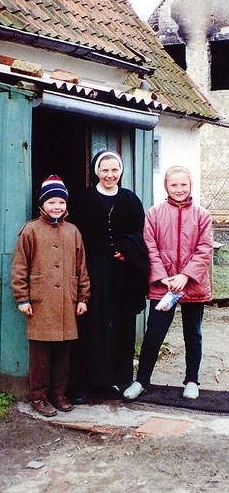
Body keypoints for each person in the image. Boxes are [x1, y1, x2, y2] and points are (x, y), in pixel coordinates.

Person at [123, 166, 213, 401]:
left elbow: (204, 250)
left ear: (190, 185)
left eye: (183, 184)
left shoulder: (202, 215)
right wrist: (163, 276)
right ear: (166, 186)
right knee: (154, 333)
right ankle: (142, 380)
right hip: (163, 285)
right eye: (174, 185)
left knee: (192, 333)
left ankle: (192, 380)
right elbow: (149, 247)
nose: (179, 189)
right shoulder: (154, 214)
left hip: (192, 284)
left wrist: (185, 276)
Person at [68, 150, 149, 402]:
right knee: (89, 325)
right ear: (96, 172)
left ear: (121, 171)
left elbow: (139, 236)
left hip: (121, 274)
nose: (110, 175)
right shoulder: (82, 199)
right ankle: (85, 384)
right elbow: (74, 236)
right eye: (105, 170)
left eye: (114, 170)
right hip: (91, 269)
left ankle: (118, 380)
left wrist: (128, 253)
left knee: (120, 324)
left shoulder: (130, 200)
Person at [11, 175, 90, 417]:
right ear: (42, 205)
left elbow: (81, 268)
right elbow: (20, 267)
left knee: (63, 353)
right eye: (52, 202)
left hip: (67, 302)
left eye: (61, 203)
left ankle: (58, 394)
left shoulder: (73, 231)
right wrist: (22, 298)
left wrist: (83, 298)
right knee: (41, 353)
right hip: (40, 302)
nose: (57, 207)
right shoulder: (30, 230)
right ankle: (39, 396)